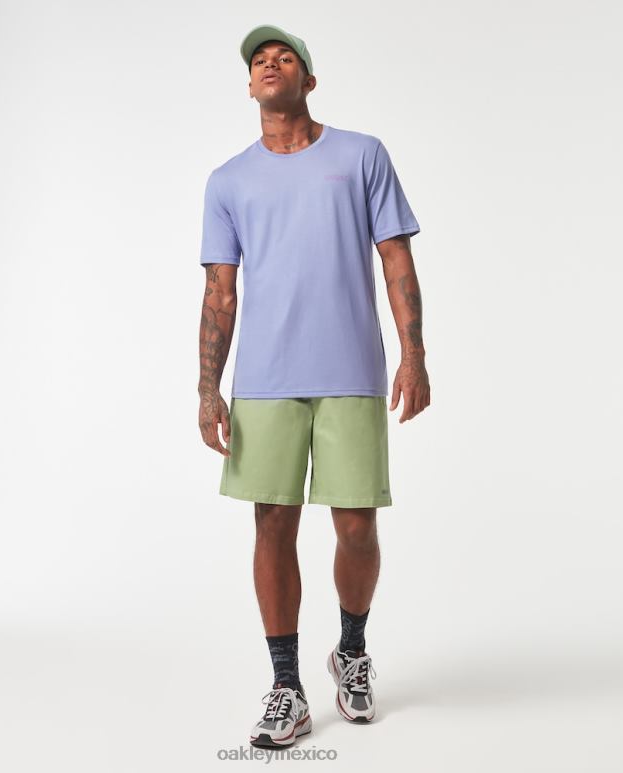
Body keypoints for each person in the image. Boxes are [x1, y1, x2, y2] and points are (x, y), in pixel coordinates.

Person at [197, 23, 430, 748]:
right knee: (272, 522)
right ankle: (286, 686)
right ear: (249, 86)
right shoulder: (228, 180)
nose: (271, 64)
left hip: (351, 370)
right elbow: (220, 292)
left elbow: (395, 258)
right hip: (265, 380)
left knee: (356, 526)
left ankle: (351, 650)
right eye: (259, 61)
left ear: (309, 79)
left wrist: (414, 353)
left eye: (285, 56)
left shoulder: (360, 155)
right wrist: (207, 388)